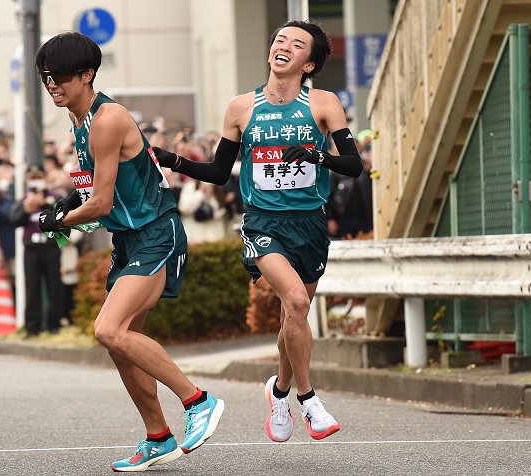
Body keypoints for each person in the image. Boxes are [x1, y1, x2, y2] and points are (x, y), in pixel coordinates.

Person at [150, 19, 362, 442]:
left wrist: (317, 157)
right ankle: (309, 401)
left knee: (292, 315)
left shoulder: (322, 103)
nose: (284, 46)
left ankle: (279, 390)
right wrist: (172, 160)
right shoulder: (241, 108)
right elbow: (216, 170)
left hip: (310, 223)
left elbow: (354, 165)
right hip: (263, 222)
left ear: (310, 63)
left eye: (296, 45)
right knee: (298, 301)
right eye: (280, 40)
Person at [34, 32, 224, 472]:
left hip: (156, 234)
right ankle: (158, 436)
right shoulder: (79, 122)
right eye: (47, 77)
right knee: (122, 345)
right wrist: (68, 204)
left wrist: (59, 221)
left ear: (88, 75)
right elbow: (104, 198)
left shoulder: (107, 118)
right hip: (129, 240)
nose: (53, 85)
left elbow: (100, 204)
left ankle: (199, 401)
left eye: (61, 76)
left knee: (109, 330)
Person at [10, 166, 65, 337]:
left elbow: (62, 216)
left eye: (39, 177)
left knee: (54, 286)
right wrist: (26, 211)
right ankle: (32, 326)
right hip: (31, 249)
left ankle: (54, 324)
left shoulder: (54, 198)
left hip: (50, 247)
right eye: (32, 177)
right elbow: (14, 220)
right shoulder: (25, 200)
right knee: (32, 287)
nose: (36, 181)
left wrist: (44, 204)